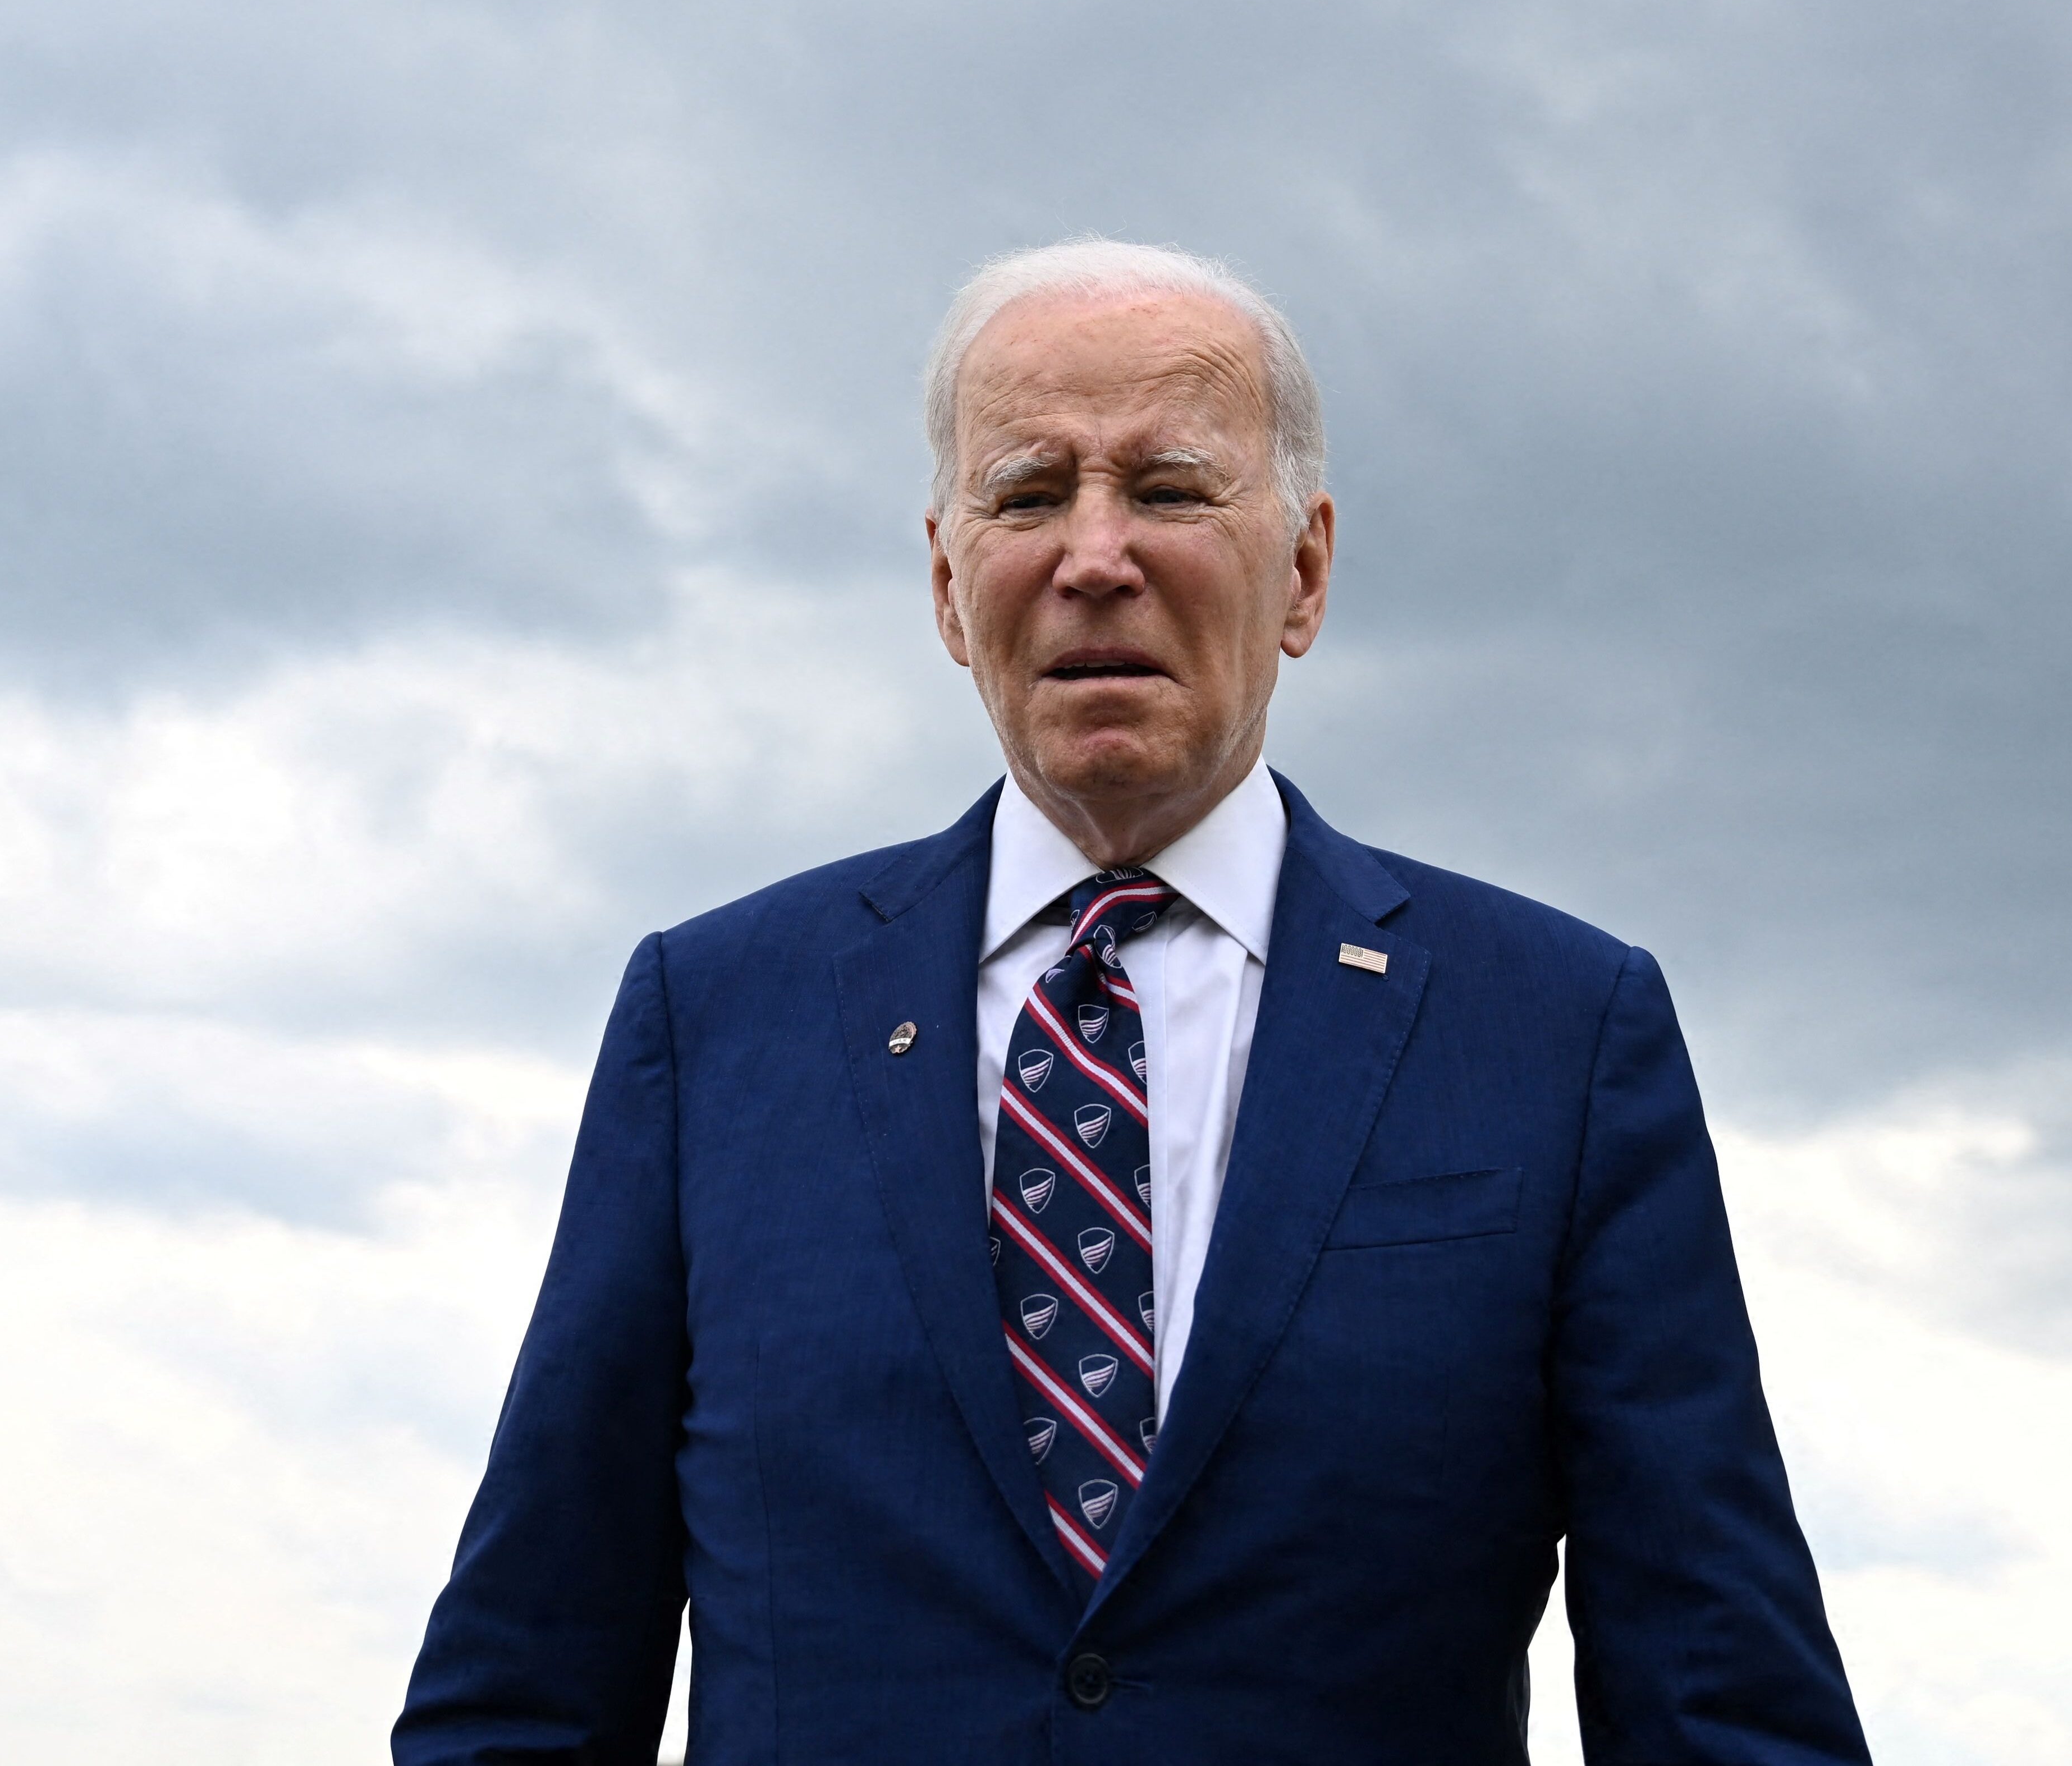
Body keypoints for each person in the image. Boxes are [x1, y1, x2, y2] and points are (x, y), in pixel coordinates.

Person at [398, 241, 1872, 1762]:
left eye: (1168, 489)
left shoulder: (1558, 1035)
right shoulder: (713, 1026)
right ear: (948, 583)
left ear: (1303, 569)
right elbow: (526, 1688)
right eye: (1030, 495)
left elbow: (1725, 1705)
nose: (1095, 552)